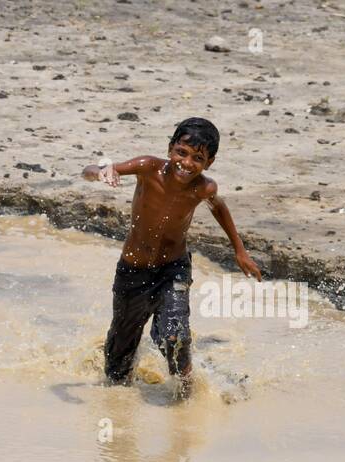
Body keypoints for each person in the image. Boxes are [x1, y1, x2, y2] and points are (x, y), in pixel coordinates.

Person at [82, 117, 262, 395]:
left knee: (175, 338)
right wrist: (101, 172)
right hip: (132, 271)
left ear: (209, 163)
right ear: (170, 149)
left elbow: (219, 207)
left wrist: (240, 250)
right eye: (182, 153)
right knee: (117, 367)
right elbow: (89, 169)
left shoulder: (204, 187)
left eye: (197, 158)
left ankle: (188, 397)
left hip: (173, 269)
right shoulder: (147, 167)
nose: (187, 163)